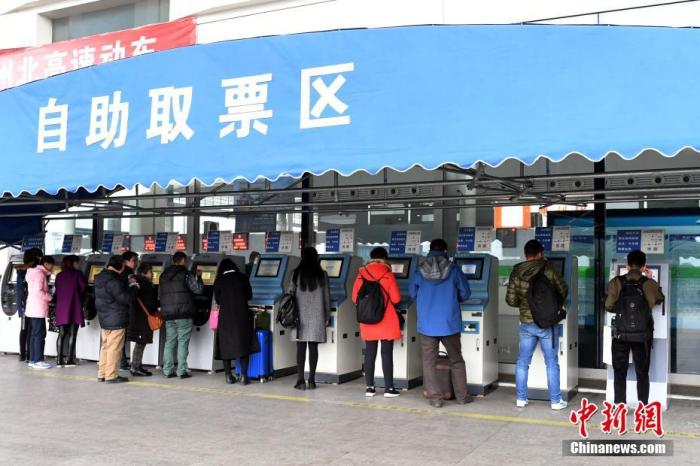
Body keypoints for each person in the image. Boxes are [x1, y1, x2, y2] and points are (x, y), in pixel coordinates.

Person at [506, 239, 569, 410]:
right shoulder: (548, 268)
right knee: (551, 363)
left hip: (526, 323)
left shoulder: (516, 271)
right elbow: (563, 289)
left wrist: (524, 305)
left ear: (525, 254)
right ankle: (555, 401)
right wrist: (554, 304)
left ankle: (521, 399)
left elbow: (510, 300)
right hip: (547, 322)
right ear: (540, 253)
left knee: (522, 362)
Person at [410, 239, 471, 408]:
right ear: (445, 250)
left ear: (429, 250)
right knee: (456, 359)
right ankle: (462, 397)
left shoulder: (419, 270)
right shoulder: (454, 269)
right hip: (449, 323)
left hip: (427, 324)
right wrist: (452, 299)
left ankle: (435, 399)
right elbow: (465, 293)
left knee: (428, 362)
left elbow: (413, 294)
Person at [604, 250, 665, 406]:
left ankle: (620, 406)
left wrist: (621, 309)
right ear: (644, 266)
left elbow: (608, 306)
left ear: (627, 265)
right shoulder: (649, 283)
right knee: (642, 373)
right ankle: (642, 407)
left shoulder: (616, 282)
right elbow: (660, 299)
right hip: (642, 336)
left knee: (619, 372)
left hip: (620, 335)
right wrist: (651, 279)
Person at [352, 247, 402, 398]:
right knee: (386, 354)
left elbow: (355, 298)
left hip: (368, 319)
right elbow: (396, 299)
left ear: (371, 257)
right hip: (386, 319)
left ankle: (370, 388)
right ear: (385, 258)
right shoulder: (388, 274)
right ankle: (389, 388)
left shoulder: (361, 274)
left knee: (369, 353)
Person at [290, 246, 330, 390]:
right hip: (317, 315)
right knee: (313, 348)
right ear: (316, 258)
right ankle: (312, 380)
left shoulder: (296, 274)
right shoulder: (322, 274)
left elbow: (290, 293)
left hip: (299, 316)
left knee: (300, 348)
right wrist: (326, 315)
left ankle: (300, 380)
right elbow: (326, 297)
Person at [159, 251, 204, 379]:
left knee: (169, 342)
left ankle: (168, 370)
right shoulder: (186, 274)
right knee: (182, 342)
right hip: (183, 313)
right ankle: (181, 370)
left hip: (168, 314)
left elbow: (160, 294)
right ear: (183, 260)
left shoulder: (163, 275)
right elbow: (198, 290)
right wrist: (199, 277)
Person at [213, 258, 257, 385]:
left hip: (225, 317)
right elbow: (249, 295)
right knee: (244, 343)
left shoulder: (219, 280)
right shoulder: (243, 277)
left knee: (225, 344)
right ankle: (243, 376)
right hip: (242, 315)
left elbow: (218, 300)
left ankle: (228, 376)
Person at [95, 255, 137, 384]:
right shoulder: (114, 281)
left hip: (104, 318)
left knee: (105, 347)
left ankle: (102, 373)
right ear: (119, 266)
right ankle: (111, 376)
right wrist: (133, 286)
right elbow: (126, 298)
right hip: (116, 318)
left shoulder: (100, 277)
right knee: (114, 348)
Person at [54, 255, 87, 367]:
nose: (79, 264)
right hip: (74, 306)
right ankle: (70, 360)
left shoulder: (59, 275)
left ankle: (59, 360)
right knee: (73, 333)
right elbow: (84, 287)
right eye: (77, 262)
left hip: (61, 307)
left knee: (61, 334)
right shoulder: (78, 274)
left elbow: (57, 289)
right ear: (73, 263)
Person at [127, 263, 158, 377]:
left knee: (140, 342)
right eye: (151, 272)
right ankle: (135, 367)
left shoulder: (136, 282)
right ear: (144, 273)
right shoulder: (145, 285)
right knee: (140, 343)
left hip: (137, 317)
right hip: (142, 319)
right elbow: (150, 303)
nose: (153, 274)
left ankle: (137, 366)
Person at [25, 254, 54, 369]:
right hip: (38, 309)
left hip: (33, 308)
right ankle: (38, 360)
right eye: (51, 265)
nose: (52, 268)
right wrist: (50, 296)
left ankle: (32, 359)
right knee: (40, 335)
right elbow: (38, 292)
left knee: (34, 334)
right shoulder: (39, 274)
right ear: (46, 264)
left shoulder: (32, 272)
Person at [17, 248, 43, 362]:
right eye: (39, 257)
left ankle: (25, 355)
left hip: (25, 304)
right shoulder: (28, 272)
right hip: (27, 304)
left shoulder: (23, 271)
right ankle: (26, 355)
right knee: (28, 330)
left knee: (25, 329)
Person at [119, 251, 139, 371]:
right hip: (125, 309)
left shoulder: (120, 273)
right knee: (121, 337)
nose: (136, 263)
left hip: (117, 309)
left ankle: (121, 362)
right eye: (134, 261)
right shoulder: (128, 273)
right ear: (126, 262)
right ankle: (122, 363)